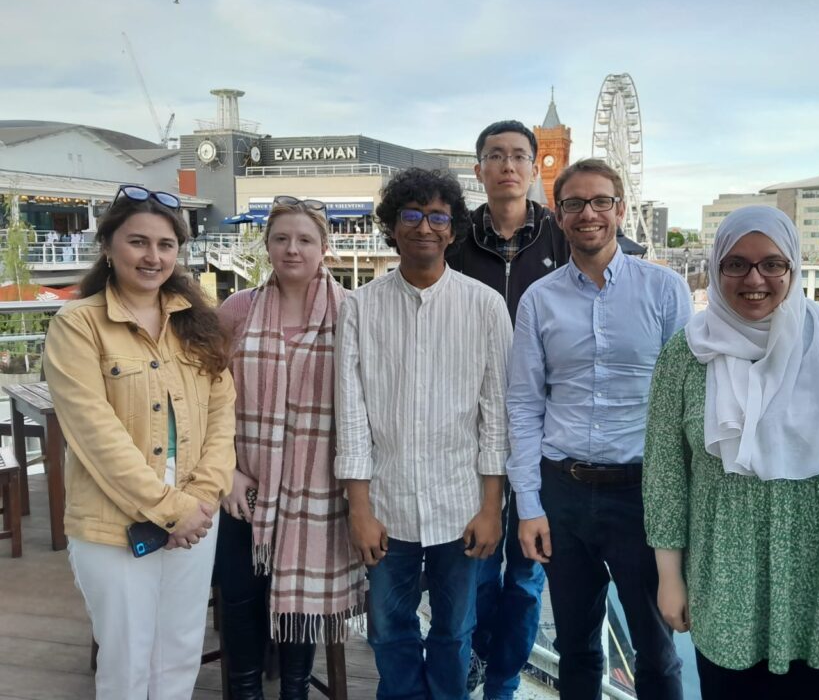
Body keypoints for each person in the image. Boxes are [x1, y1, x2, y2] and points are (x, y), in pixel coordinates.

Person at [643, 205, 819, 699]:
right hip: (725, 583)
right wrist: (670, 577)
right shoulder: (686, 354)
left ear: (793, 266)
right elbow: (665, 475)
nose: (755, 279)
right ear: (716, 268)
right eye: (736, 264)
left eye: (772, 264)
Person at [43, 184, 236, 699]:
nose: (153, 257)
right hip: (116, 517)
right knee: (126, 661)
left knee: (179, 651)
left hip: (197, 509)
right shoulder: (78, 325)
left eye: (166, 245)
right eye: (138, 242)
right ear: (109, 246)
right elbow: (94, 433)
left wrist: (201, 497)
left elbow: (223, 414)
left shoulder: (197, 325)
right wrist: (170, 508)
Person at [507, 158, 690, 699]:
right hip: (562, 492)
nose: (588, 214)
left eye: (600, 202)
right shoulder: (539, 299)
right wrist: (529, 505)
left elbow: (686, 400)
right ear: (558, 215)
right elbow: (523, 404)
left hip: (642, 494)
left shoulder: (665, 291)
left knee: (656, 650)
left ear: (620, 210)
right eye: (574, 204)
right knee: (577, 648)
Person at [335, 168, 513, 699]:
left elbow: (496, 415)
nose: (424, 228)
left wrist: (490, 508)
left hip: (461, 505)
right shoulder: (360, 307)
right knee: (390, 631)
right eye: (411, 215)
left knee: (454, 631)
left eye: (438, 217)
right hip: (386, 507)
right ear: (391, 226)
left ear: (453, 229)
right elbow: (351, 413)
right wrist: (359, 511)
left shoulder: (485, 306)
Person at [216, 196, 364, 700]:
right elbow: (205, 396)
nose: (292, 249)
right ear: (267, 245)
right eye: (281, 238)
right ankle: (245, 690)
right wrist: (228, 471)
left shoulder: (353, 313)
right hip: (245, 483)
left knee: (304, 601)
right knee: (239, 596)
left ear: (325, 247)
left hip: (321, 486)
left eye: (304, 240)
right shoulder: (238, 309)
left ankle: (295, 690)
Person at [446, 119, 569, 700]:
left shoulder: (560, 236)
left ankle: (503, 679)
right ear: (479, 170)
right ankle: (475, 657)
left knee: (525, 576)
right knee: (474, 567)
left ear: (534, 165)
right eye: (495, 156)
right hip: (469, 430)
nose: (508, 166)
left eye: (520, 155)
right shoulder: (455, 240)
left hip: (544, 431)